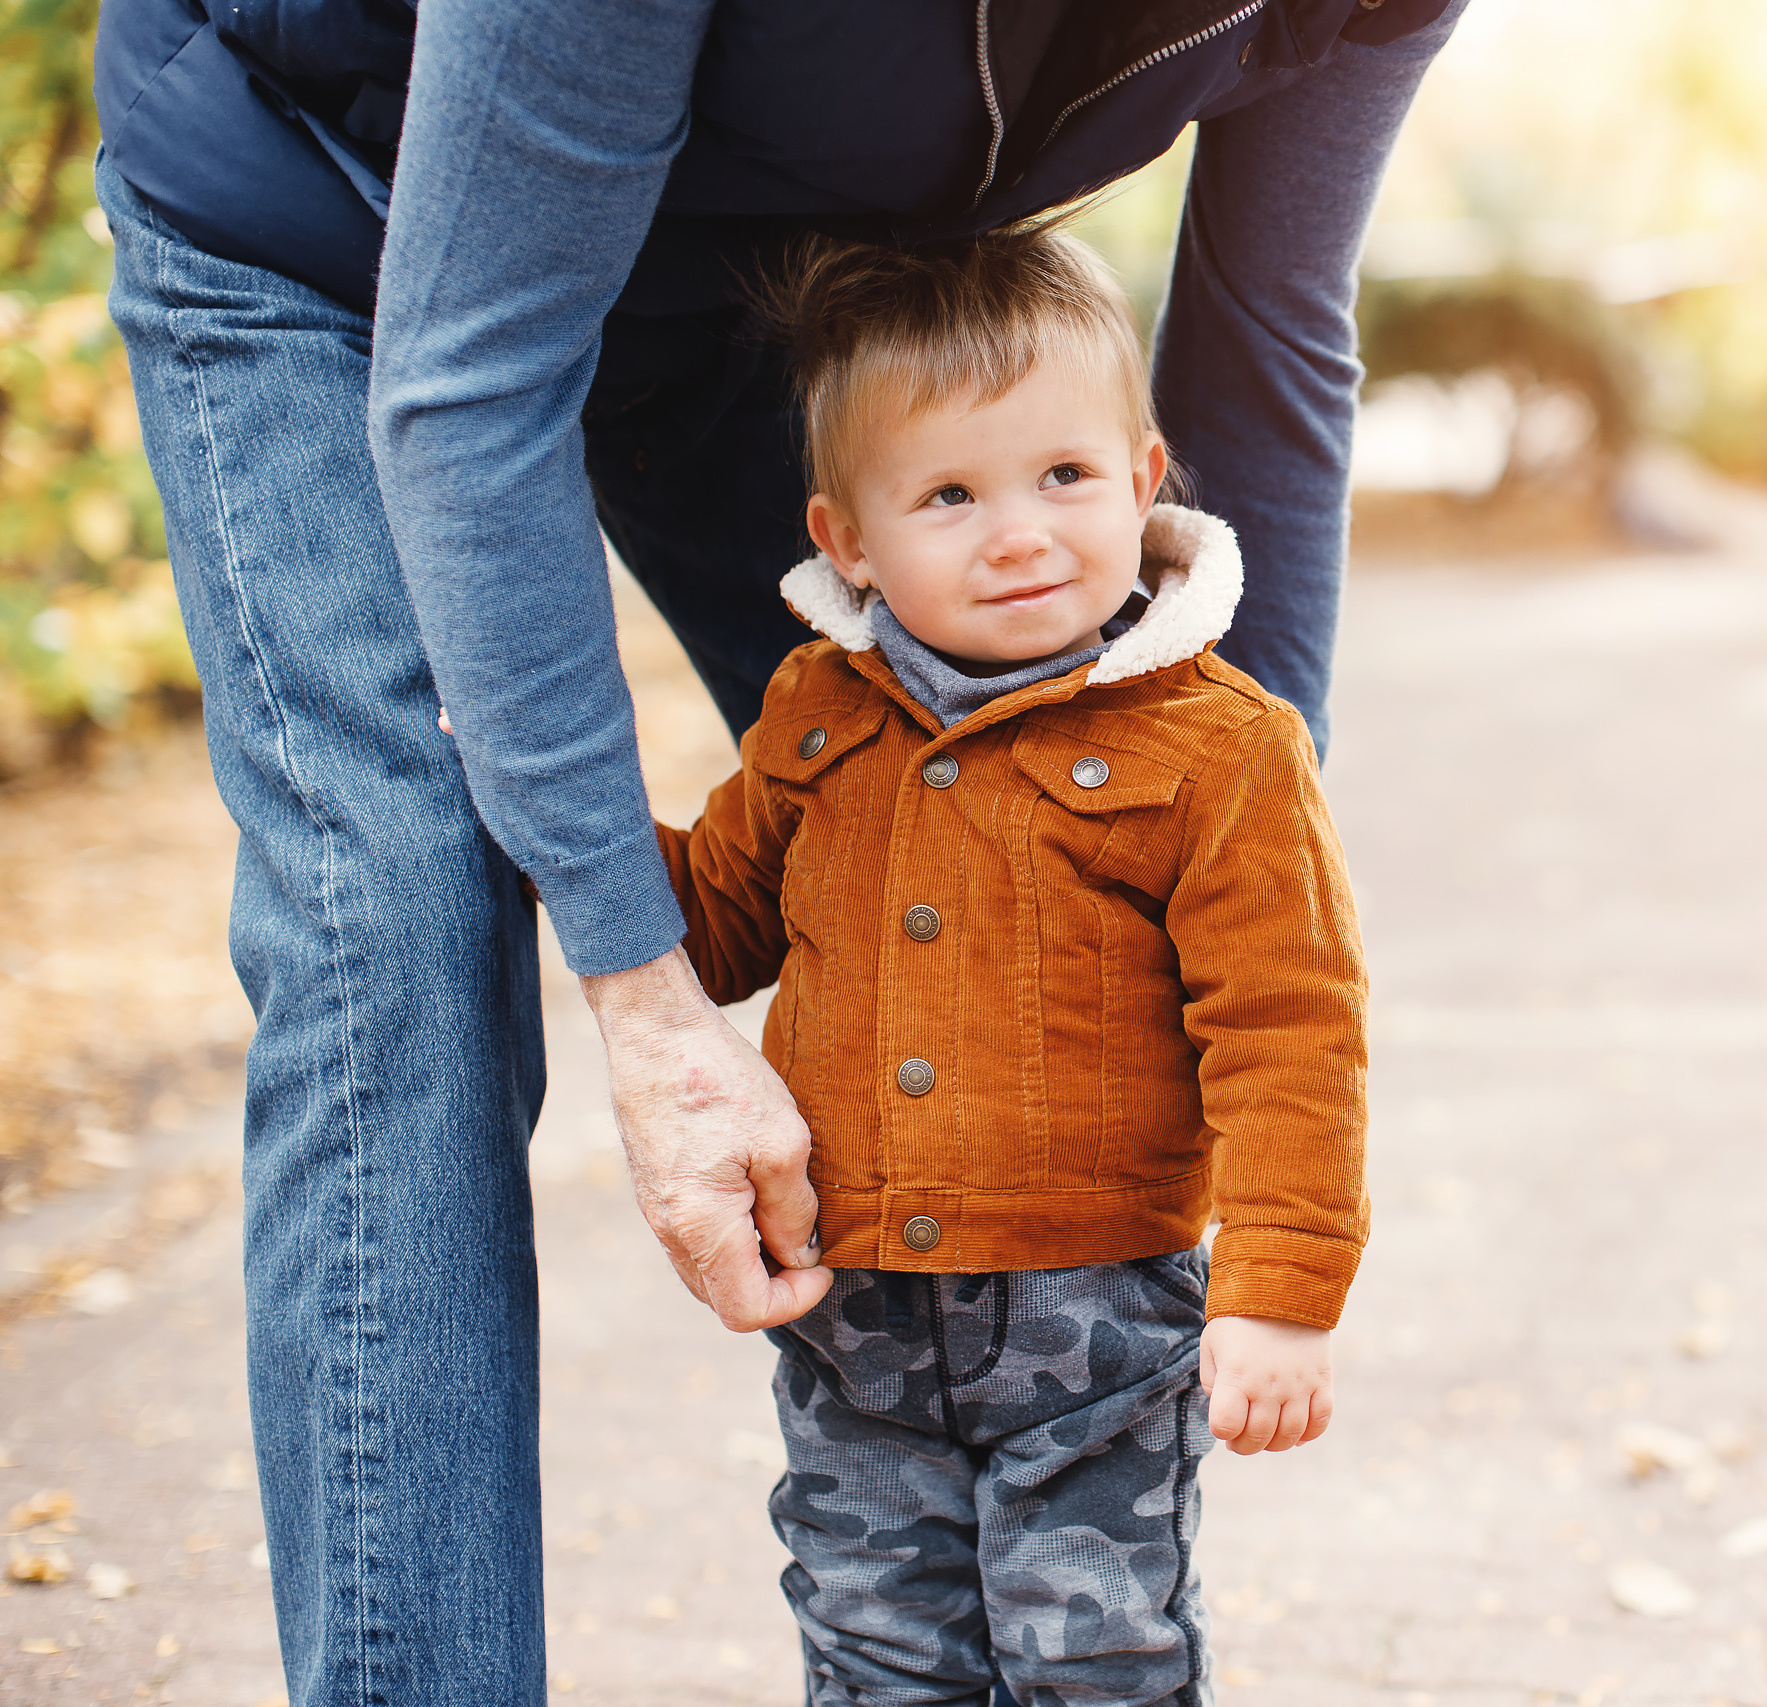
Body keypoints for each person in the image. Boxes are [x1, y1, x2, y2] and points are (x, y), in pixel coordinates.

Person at [90, 0, 1460, 1701]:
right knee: (406, 906)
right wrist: (611, 932)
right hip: (338, 227)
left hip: (786, 299)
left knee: (990, 803)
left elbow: (1271, 337)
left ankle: (1060, 1552)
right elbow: (475, 380)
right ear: (847, 544)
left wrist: (1232, 825)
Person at [655, 225, 1364, 1703]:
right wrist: (559, 809)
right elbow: (716, 923)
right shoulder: (816, 707)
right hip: (855, 1314)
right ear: (846, 539)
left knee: (1092, 1650)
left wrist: (1280, 1287)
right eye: (950, 495)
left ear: (1144, 476)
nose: (1022, 531)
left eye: (1063, 477)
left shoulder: (1220, 747)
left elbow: (1293, 1030)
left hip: (1096, 1315)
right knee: (876, 1647)